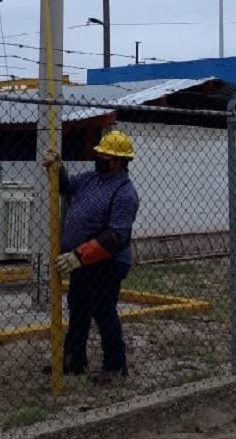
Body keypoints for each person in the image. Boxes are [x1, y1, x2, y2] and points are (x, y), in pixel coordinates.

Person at [42, 129, 139, 382]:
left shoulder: (125, 193)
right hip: (83, 260)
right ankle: (74, 360)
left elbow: (117, 237)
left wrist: (79, 256)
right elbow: (65, 186)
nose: (100, 158)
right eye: (100, 154)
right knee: (79, 307)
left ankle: (116, 367)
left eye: (105, 155)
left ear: (118, 161)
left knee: (102, 310)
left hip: (109, 262)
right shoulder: (90, 179)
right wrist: (56, 167)